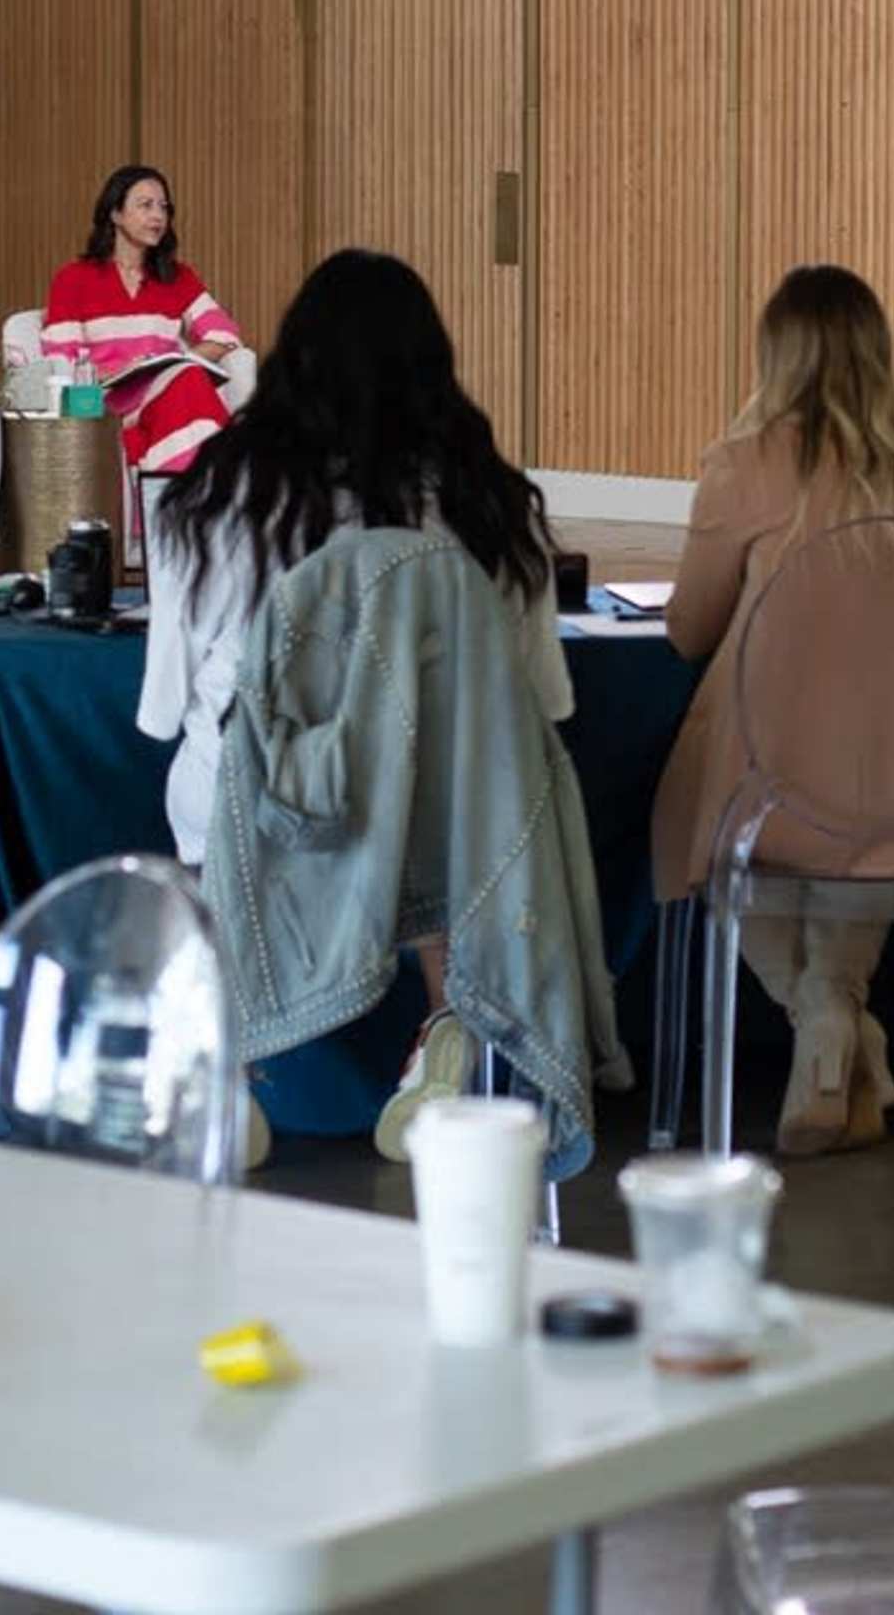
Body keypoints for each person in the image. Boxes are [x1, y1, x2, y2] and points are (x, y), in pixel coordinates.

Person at [142, 247, 564, 1157]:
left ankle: (224, 1061)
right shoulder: (491, 508)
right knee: (448, 799)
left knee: (210, 774)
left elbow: (163, 708)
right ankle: (448, 1029)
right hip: (426, 831)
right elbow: (538, 704)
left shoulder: (210, 500)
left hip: (257, 810)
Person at [652, 266, 894, 1158]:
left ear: (774, 357)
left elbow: (688, 633)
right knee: (865, 810)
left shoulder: (743, 465)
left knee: (719, 818)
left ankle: (821, 1024)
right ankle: (840, 1030)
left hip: (767, 783)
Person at [40, 165, 257, 476]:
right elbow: (63, 363)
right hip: (109, 403)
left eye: (163, 207)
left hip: (169, 395)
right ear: (116, 214)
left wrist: (176, 363)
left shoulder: (177, 277)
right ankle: (217, 482)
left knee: (187, 376)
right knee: (189, 380)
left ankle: (180, 486)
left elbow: (225, 335)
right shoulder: (74, 279)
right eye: (146, 205)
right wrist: (121, 373)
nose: (158, 216)